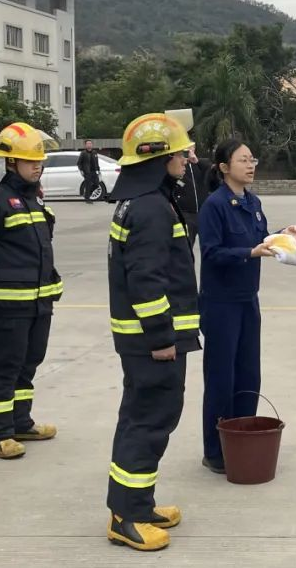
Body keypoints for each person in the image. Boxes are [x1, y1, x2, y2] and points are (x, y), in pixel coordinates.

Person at [104, 113, 201, 551]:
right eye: (179, 152)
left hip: (143, 342)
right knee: (148, 422)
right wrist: (162, 338)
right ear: (159, 158)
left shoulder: (141, 202)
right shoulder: (150, 209)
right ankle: (126, 516)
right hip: (153, 344)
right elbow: (147, 282)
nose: (186, 158)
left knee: (141, 419)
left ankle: (137, 505)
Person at [198, 138, 296, 474]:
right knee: (221, 378)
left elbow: (260, 240)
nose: (250, 165)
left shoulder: (252, 202)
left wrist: (282, 234)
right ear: (224, 167)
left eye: (252, 159)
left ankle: (241, 439)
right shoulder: (214, 205)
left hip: (247, 300)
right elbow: (211, 253)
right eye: (243, 160)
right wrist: (248, 253)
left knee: (248, 374)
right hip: (221, 303)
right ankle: (215, 451)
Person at [0, 123, 63, 462]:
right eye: (30, 161)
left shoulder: (31, 197)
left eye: (39, 160)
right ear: (10, 162)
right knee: (4, 365)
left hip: (39, 300)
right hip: (8, 304)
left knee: (29, 362)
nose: (37, 166)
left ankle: (20, 422)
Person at [176, 146, 211, 250]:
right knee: (187, 245)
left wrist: (196, 161)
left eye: (191, 148)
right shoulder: (179, 166)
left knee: (208, 244)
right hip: (186, 213)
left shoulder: (201, 164)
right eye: (186, 149)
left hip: (203, 212)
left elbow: (212, 170)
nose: (188, 151)